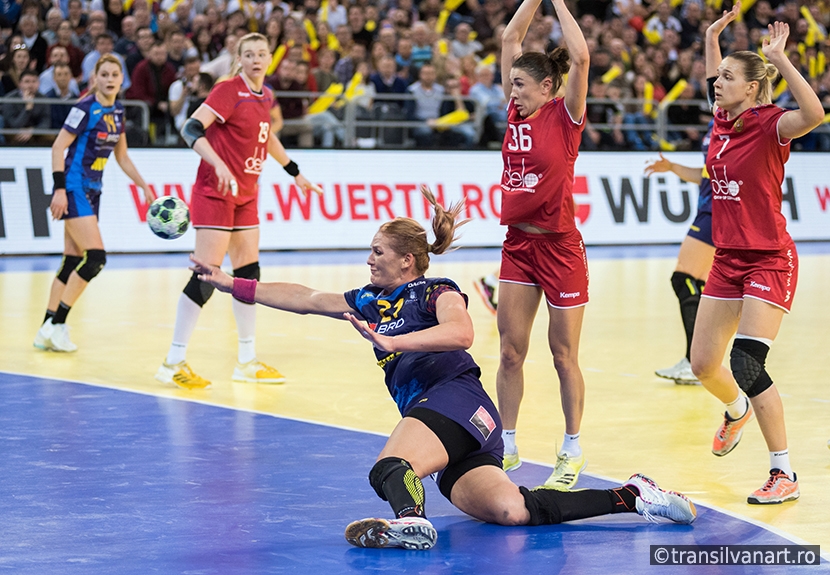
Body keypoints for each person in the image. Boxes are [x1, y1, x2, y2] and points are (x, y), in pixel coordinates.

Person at [190, 186, 697, 550]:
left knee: (391, 469)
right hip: (452, 426)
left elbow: (463, 334)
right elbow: (304, 297)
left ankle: (411, 521)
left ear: (408, 260)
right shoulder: (366, 300)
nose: (368, 259)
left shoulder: (436, 290)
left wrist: (392, 339)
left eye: (378, 251)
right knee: (512, 511)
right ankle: (632, 497)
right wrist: (229, 282)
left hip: (458, 399)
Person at [692, 6, 824, 504]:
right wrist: (710, 37)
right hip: (727, 258)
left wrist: (780, 60)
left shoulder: (772, 124)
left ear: (751, 87)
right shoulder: (721, 119)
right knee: (704, 363)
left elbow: (814, 114)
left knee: (747, 363)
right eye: (718, 75)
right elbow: (712, 75)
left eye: (728, 77)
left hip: (769, 257)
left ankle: (783, 472)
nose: (717, 84)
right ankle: (735, 411)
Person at [155, 33, 321, 390]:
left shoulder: (266, 95)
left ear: (269, 58)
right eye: (249, 54)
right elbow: (191, 128)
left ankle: (246, 360)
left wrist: (296, 173)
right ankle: (172, 361)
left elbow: (267, 138)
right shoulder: (228, 89)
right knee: (207, 276)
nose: (257, 59)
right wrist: (219, 165)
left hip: (245, 194)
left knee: (249, 275)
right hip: (215, 192)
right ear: (240, 59)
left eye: (262, 54)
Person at [495, 0, 591, 487]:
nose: (511, 92)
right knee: (510, 351)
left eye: (519, 84)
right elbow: (511, 40)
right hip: (518, 246)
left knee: (562, 355)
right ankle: (506, 443)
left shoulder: (565, 116)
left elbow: (581, 55)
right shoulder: (514, 113)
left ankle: (572, 448)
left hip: (560, 248)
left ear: (546, 87)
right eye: (511, 84)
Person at [33, 55, 152, 352]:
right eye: (105, 74)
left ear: (121, 80)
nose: (110, 79)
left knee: (72, 260)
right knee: (96, 258)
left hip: (93, 190)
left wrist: (144, 185)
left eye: (115, 74)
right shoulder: (85, 107)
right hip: (74, 187)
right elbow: (58, 147)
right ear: (95, 78)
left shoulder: (119, 111)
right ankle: (58, 324)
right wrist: (59, 190)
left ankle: (45, 328)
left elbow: (122, 157)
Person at [646, 123, 715, 385]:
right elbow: (706, 175)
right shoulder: (714, 123)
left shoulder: (733, 122)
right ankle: (700, 362)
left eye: (724, 78)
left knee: (683, 280)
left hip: (716, 213)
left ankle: (694, 362)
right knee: (697, 285)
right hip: (708, 210)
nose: (717, 84)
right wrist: (673, 167)